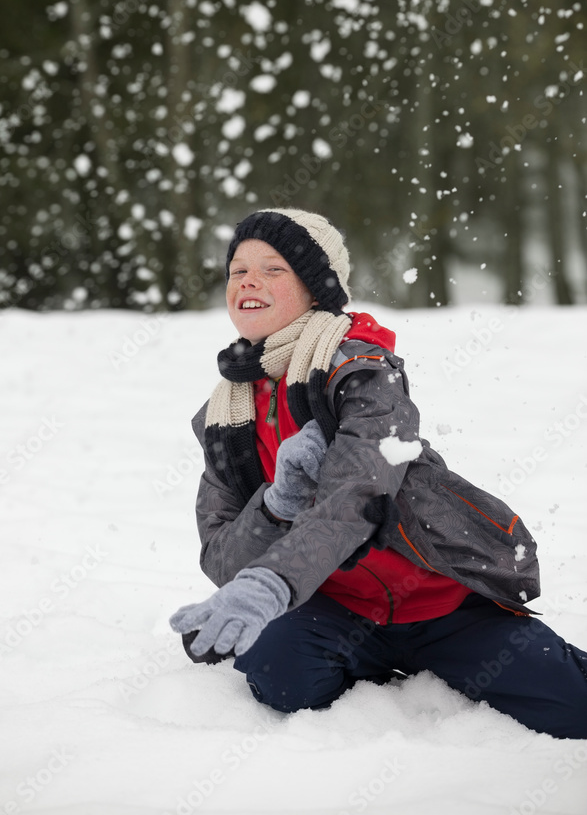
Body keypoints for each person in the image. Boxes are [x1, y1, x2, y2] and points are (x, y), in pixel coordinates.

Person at [170, 207, 587, 738]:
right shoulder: (225, 416)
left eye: (273, 268)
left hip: (441, 602)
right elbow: (221, 554)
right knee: (279, 678)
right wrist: (276, 506)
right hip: (339, 612)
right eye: (237, 270)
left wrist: (274, 581)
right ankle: (374, 664)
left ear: (317, 288)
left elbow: (358, 497)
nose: (248, 280)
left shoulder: (362, 373)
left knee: (573, 709)